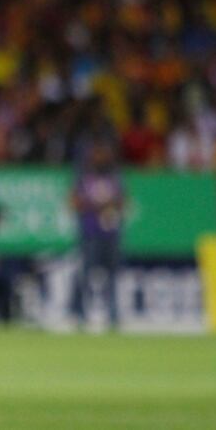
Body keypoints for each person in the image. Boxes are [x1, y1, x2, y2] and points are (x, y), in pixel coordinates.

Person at [70, 139, 125, 329]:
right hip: (90, 232)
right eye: (97, 153)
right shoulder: (84, 177)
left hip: (111, 233)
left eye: (104, 153)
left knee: (113, 275)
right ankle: (78, 313)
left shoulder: (115, 177)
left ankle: (113, 314)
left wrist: (110, 204)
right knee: (85, 273)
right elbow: (74, 202)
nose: (100, 157)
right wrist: (97, 205)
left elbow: (123, 202)